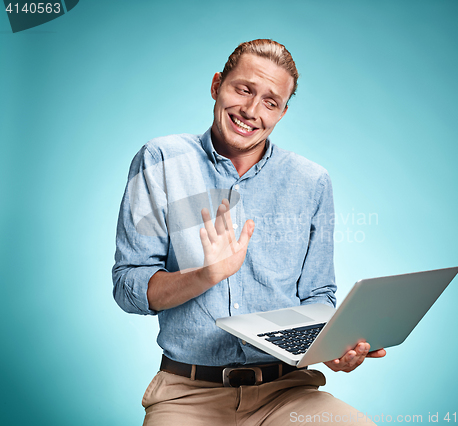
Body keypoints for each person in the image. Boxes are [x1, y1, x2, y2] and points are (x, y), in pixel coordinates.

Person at [113, 39, 386, 425]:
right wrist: (206, 275)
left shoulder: (311, 182)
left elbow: (318, 295)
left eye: (270, 102)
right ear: (216, 85)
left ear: (282, 113)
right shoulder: (161, 161)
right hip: (187, 395)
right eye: (243, 89)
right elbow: (129, 286)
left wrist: (333, 346)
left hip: (287, 392)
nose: (251, 111)